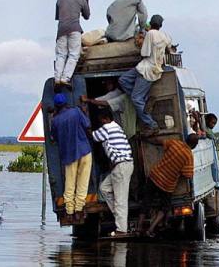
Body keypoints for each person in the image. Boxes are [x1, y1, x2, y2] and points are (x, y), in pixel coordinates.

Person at [118, 14, 172, 135]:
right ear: (161, 25)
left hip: (147, 69)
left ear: (151, 23)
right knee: (123, 80)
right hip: (149, 68)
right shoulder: (165, 36)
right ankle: (145, 100)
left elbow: (144, 52)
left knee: (135, 99)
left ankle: (151, 124)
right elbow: (169, 47)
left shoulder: (151, 34)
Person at [139, 134, 199, 236]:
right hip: (167, 184)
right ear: (195, 145)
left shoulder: (175, 144)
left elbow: (159, 141)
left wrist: (145, 138)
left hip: (154, 176)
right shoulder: (188, 156)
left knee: (146, 202)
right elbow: (188, 174)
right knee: (165, 207)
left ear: (186, 139)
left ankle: (138, 228)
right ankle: (150, 229)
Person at [50, 93, 92, 223]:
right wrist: (84, 112)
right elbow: (87, 125)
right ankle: (79, 210)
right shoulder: (76, 112)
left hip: (69, 155)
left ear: (56, 106)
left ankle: (69, 212)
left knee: (69, 183)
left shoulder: (55, 121)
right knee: (83, 182)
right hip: (84, 151)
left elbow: (54, 138)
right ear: (67, 103)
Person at [92, 109, 134, 237]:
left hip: (121, 166)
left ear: (105, 119)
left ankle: (121, 230)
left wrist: (86, 128)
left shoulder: (107, 128)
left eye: (101, 121)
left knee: (120, 200)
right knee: (104, 188)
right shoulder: (117, 127)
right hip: (123, 166)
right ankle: (119, 217)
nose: (101, 123)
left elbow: (94, 136)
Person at [55, 0, 90, 88]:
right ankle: (65, 78)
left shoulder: (60, 0)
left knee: (61, 55)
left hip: (61, 30)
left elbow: (58, 17)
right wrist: (86, 0)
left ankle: (57, 78)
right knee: (74, 54)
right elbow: (87, 16)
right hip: (75, 29)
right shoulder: (81, 0)